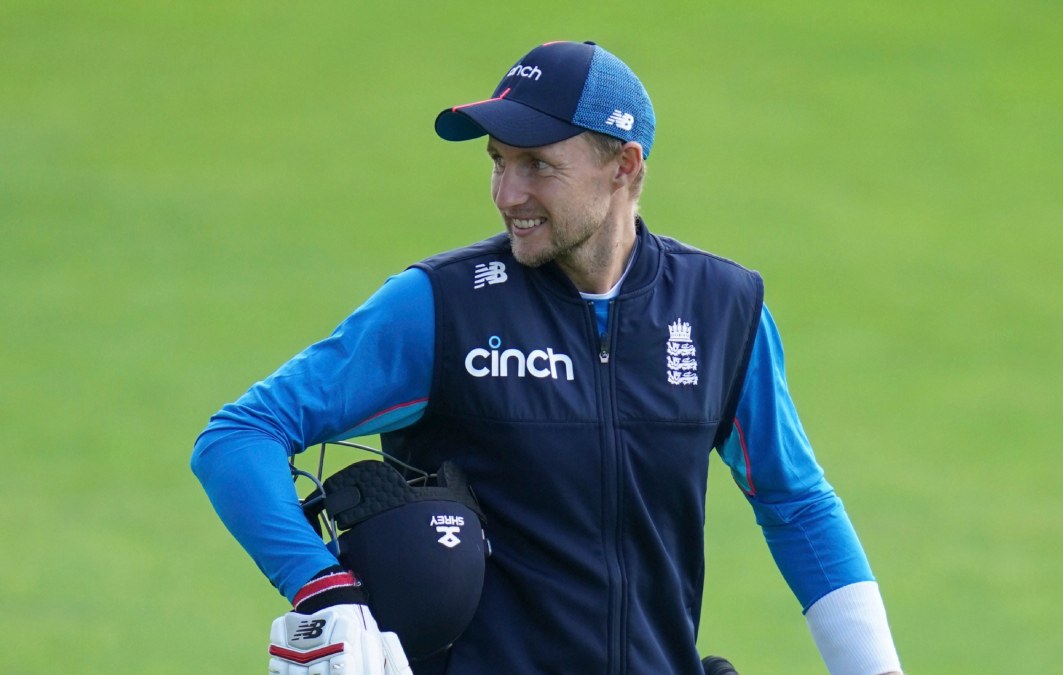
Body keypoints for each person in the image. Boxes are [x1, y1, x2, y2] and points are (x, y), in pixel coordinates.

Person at [192, 40, 903, 675]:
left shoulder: (721, 310)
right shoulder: (442, 307)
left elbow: (795, 502)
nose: (508, 195)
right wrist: (322, 588)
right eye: (498, 162)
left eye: (537, 165)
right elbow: (240, 436)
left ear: (623, 166)